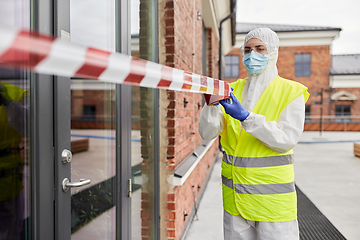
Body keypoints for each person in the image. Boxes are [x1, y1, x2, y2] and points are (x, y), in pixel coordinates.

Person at [199, 28, 309, 240]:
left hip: (272, 202)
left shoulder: (291, 91)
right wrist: (210, 106)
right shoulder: (231, 90)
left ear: (273, 52)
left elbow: (285, 140)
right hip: (236, 199)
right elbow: (207, 133)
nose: (252, 55)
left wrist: (246, 117)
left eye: (260, 49)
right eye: (247, 50)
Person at [0, 81, 27, 240]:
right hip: (10, 182)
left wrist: (8, 104)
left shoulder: (16, 93)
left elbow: (32, 126)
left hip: (9, 185)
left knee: (10, 231)